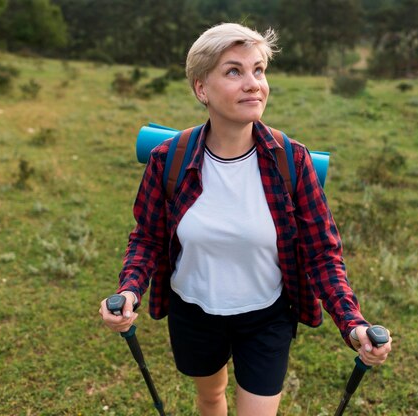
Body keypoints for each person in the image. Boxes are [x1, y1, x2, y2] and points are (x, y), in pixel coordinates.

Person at [99, 22, 392, 416]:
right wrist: (131, 290)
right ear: (201, 88)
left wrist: (352, 323)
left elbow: (322, 254)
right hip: (194, 311)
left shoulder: (292, 161)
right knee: (210, 398)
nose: (253, 83)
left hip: (266, 316)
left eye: (259, 70)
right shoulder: (168, 159)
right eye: (234, 71)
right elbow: (148, 238)